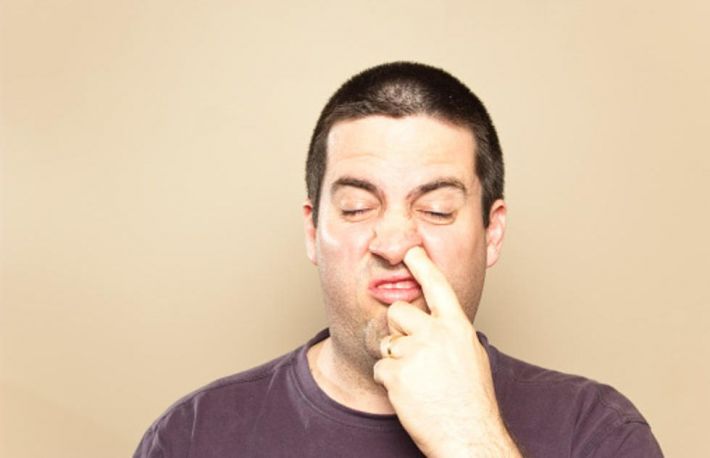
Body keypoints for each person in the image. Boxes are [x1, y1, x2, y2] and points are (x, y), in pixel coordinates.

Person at [134, 62, 663, 457]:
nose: (393, 244)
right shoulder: (192, 436)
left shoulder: (597, 431)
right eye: (357, 207)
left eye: (436, 209)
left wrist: (469, 438)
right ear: (313, 232)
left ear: (492, 232)